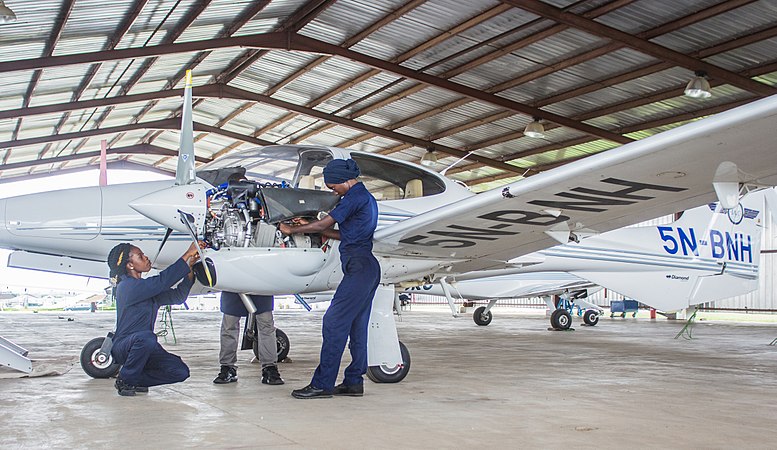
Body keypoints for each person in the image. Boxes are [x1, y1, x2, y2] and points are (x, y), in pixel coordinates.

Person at [279, 159, 380, 399]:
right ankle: (354, 382)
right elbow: (339, 233)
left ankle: (322, 384)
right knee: (357, 328)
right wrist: (309, 226)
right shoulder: (363, 197)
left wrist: (292, 230)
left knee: (333, 322)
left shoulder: (355, 197)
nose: (332, 190)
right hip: (365, 267)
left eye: (333, 186)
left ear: (345, 181)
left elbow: (326, 223)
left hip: (360, 267)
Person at [107, 242, 201, 396]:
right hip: (125, 346)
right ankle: (125, 379)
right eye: (140, 256)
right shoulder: (127, 287)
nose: (146, 257)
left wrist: (189, 271)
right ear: (130, 265)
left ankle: (135, 380)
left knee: (180, 371)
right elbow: (162, 281)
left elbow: (178, 296)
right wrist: (188, 253)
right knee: (147, 337)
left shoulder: (144, 289)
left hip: (144, 346)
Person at [213, 292, 284, 385]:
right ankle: (227, 368)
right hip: (232, 284)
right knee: (229, 326)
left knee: (266, 324)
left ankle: (270, 368)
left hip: (260, 285)